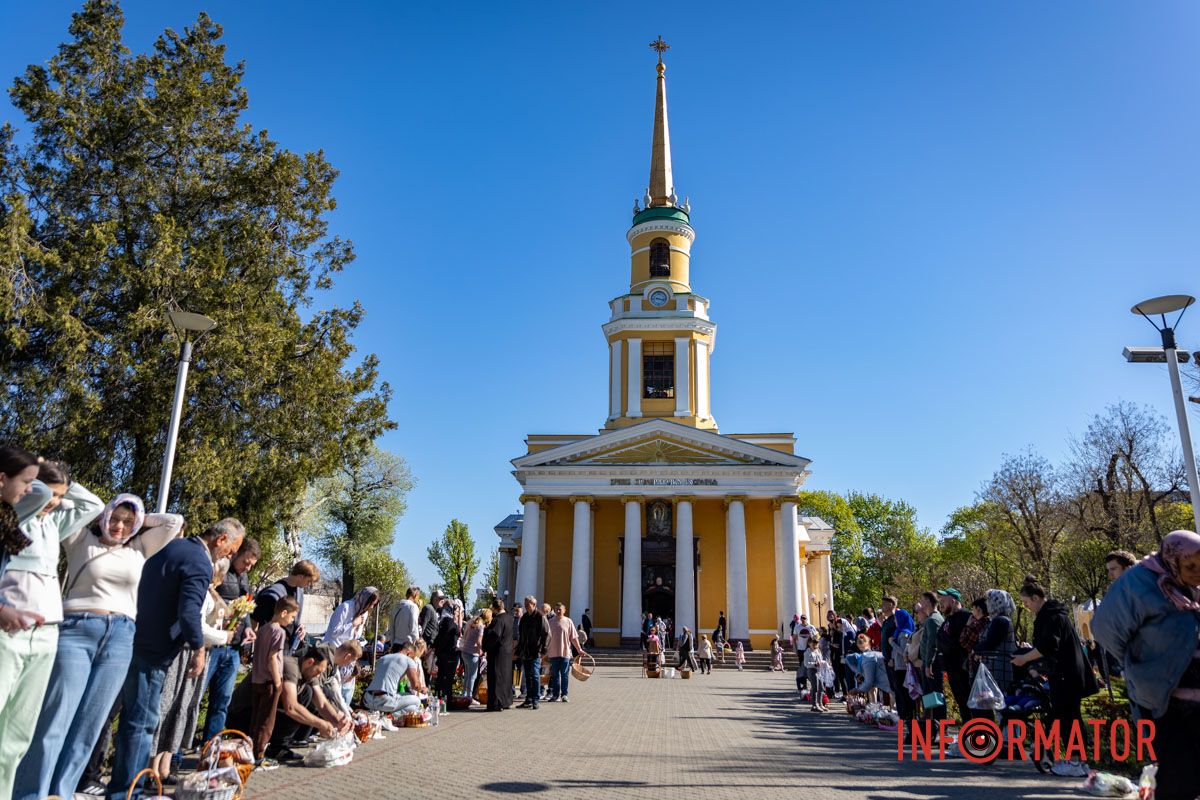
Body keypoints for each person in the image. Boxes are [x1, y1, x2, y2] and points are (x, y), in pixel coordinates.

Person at [18, 493, 183, 800]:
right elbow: (76, 502)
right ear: (104, 516)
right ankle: (30, 793)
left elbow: (174, 522)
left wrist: (139, 518)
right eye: (115, 519)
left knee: (89, 724)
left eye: (126, 522)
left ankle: (61, 792)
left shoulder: (139, 547)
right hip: (76, 630)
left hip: (120, 636)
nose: (119, 527)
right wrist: (102, 511)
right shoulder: (80, 539)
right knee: (57, 717)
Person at [106, 517, 243, 800]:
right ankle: (129, 791)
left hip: (138, 637)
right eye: (230, 550)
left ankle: (122, 785)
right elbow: (190, 611)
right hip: (155, 649)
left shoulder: (174, 548)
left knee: (132, 718)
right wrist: (199, 649)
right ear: (220, 541)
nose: (229, 557)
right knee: (142, 723)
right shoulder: (199, 562)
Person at [1, 459, 103, 799]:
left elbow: (94, 505)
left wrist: (65, 487)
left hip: (45, 635)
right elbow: (38, 492)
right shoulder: (20, 516)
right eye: (50, 494)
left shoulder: (53, 524)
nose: (55, 501)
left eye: (60, 496)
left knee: (18, 736)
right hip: (9, 633)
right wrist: (39, 469)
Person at [1093, 530, 1200, 800]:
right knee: (1179, 778)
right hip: (1164, 699)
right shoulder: (1138, 583)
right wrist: (1139, 663)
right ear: (1173, 559)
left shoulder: (1192, 585)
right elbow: (1106, 630)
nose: (1197, 572)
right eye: (1190, 566)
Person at [150, 557, 234, 782]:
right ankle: (152, 767)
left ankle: (165, 766)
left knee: (183, 707)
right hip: (186, 651)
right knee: (168, 706)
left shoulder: (211, 593)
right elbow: (196, 624)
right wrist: (224, 636)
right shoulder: (199, 591)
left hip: (201, 652)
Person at [1012, 576, 1096, 778]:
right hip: (1067, 673)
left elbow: (1048, 646)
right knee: (1069, 716)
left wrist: (1024, 659)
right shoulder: (1054, 614)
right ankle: (1079, 760)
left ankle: (1075, 761)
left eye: (1026, 602)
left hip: (1066, 674)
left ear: (1035, 597)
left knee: (1067, 717)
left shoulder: (1050, 616)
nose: (1026, 607)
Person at [226, 647, 348, 767]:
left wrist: (337, 721)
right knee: (302, 699)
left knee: (307, 693)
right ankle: (268, 747)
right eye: (318, 671)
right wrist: (321, 724)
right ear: (309, 662)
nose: (318, 675)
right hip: (242, 714)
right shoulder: (290, 666)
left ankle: (278, 747)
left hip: (261, 714)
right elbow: (291, 707)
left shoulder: (308, 672)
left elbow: (322, 703)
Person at [201, 537, 260, 744]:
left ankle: (211, 746)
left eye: (252, 565)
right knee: (195, 698)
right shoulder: (220, 571)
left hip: (233, 647)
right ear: (236, 553)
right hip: (212, 645)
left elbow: (244, 606)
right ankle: (176, 752)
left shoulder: (244, 578)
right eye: (246, 562)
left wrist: (248, 629)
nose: (247, 568)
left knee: (222, 701)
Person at [249, 596, 298, 765]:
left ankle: (252, 750)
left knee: (256, 717)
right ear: (284, 613)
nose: (292, 621)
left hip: (256, 679)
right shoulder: (279, 632)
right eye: (291, 617)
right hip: (270, 680)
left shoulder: (263, 629)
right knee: (267, 721)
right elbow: (272, 657)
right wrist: (278, 682)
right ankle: (259, 755)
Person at [252, 560, 320, 656]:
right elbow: (255, 619)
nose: (309, 585)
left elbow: (293, 617)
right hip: (270, 647)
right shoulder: (273, 594)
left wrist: (300, 625)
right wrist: (254, 647)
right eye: (308, 581)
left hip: (288, 647)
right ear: (301, 576)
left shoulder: (299, 593)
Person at [935, 589, 971, 725]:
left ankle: (975, 735)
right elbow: (940, 639)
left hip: (962, 668)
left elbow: (959, 642)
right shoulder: (948, 619)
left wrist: (945, 642)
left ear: (954, 600)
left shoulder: (965, 616)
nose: (941, 604)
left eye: (943, 601)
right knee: (961, 702)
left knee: (967, 702)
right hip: (951, 668)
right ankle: (968, 733)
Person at [363, 640, 427, 715]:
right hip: (384, 700)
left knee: (407, 699)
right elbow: (415, 685)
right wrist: (422, 688)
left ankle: (379, 713)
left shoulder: (383, 658)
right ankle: (390, 716)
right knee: (416, 701)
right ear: (409, 653)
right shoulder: (408, 660)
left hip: (368, 699)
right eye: (413, 657)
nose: (413, 659)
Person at [546, 602, 583, 702]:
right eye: (556, 609)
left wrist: (579, 649)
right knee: (555, 675)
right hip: (553, 653)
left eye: (560, 609)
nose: (558, 611)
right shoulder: (550, 621)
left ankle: (564, 694)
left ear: (564, 610)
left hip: (565, 653)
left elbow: (574, 638)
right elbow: (546, 637)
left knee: (564, 675)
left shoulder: (568, 621)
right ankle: (555, 695)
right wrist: (544, 650)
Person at [885, 599, 916, 721]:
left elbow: (903, 651)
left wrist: (892, 643)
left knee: (903, 693)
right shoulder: (899, 632)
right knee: (899, 692)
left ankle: (906, 716)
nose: (895, 620)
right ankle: (904, 715)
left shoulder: (904, 634)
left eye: (897, 618)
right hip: (898, 665)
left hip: (902, 667)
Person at [482, 598, 514, 711]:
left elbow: (495, 634)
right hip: (508, 652)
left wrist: (485, 645)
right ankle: (506, 701)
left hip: (497, 653)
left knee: (496, 678)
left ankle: (496, 703)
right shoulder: (510, 619)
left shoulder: (497, 620)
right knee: (506, 677)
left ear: (495, 609)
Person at [517, 596, 549, 708]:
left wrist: (543, 649)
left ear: (534, 604)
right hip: (525, 651)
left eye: (528, 603)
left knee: (535, 675)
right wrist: (519, 649)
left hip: (536, 652)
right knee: (527, 676)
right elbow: (521, 634)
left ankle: (536, 699)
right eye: (525, 603)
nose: (526, 605)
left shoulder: (540, 617)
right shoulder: (524, 617)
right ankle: (528, 699)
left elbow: (546, 634)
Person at [433, 599, 463, 701]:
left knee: (441, 676)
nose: (459, 614)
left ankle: (440, 697)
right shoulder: (450, 623)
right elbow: (449, 636)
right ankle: (447, 699)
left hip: (443, 653)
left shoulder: (444, 621)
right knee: (448, 678)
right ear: (453, 611)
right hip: (450, 653)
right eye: (458, 611)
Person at [461, 609, 487, 704]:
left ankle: (464, 695)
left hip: (464, 651)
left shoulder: (470, 622)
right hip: (473, 653)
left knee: (467, 675)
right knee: (472, 676)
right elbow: (479, 641)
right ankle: (469, 697)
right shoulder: (481, 626)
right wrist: (482, 651)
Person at [419, 589, 445, 677]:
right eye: (440, 598)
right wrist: (422, 643)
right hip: (425, 645)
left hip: (430, 646)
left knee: (428, 670)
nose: (442, 600)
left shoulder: (434, 611)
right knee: (425, 670)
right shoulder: (428, 608)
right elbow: (422, 627)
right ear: (434, 598)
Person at [804, 632, 828, 712]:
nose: (815, 646)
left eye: (816, 644)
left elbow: (820, 659)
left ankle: (820, 703)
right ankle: (814, 705)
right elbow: (806, 663)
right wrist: (815, 664)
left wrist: (824, 663)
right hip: (812, 670)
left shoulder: (818, 651)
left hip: (819, 670)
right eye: (813, 644)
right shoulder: (807, 652)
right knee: (815, 688)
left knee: (821, 688)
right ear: (809, 643)